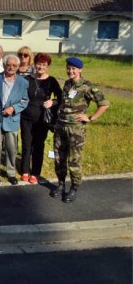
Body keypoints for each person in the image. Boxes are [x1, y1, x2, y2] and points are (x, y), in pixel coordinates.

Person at [51, 57, 109, 203]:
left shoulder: (87, 86)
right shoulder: (67, 84)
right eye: (68, 68)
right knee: (59, 157)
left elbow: (104, 103)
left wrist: (90, 117)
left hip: (75, 130)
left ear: (80, 70)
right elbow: (65, 101)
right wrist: (60, 108)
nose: (70, 71)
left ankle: (74, 187)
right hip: (60, 127)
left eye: (73, 69)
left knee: (74, 159)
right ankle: (61, 184)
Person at [0, 54, 29, 185]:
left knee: (11, 149)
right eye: (8, 65)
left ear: (18, 67)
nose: (11, 67)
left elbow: (25, 101)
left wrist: (14, 108)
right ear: (4, 65)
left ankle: (11, 173)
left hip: (12, 120)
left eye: (14, 65)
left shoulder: (23, 82)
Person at [20, 53, 62, 184]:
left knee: (38, 145)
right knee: (27, 145)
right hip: (26, 117)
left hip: (42, 119)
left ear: (48, 66)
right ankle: (25, 170)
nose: (41, 67)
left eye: (44, 64)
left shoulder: (52, 81)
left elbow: (61, 98)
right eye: (38, 64)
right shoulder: (26, 79)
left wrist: (52, 102)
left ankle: (35, 173)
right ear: (34, 64)